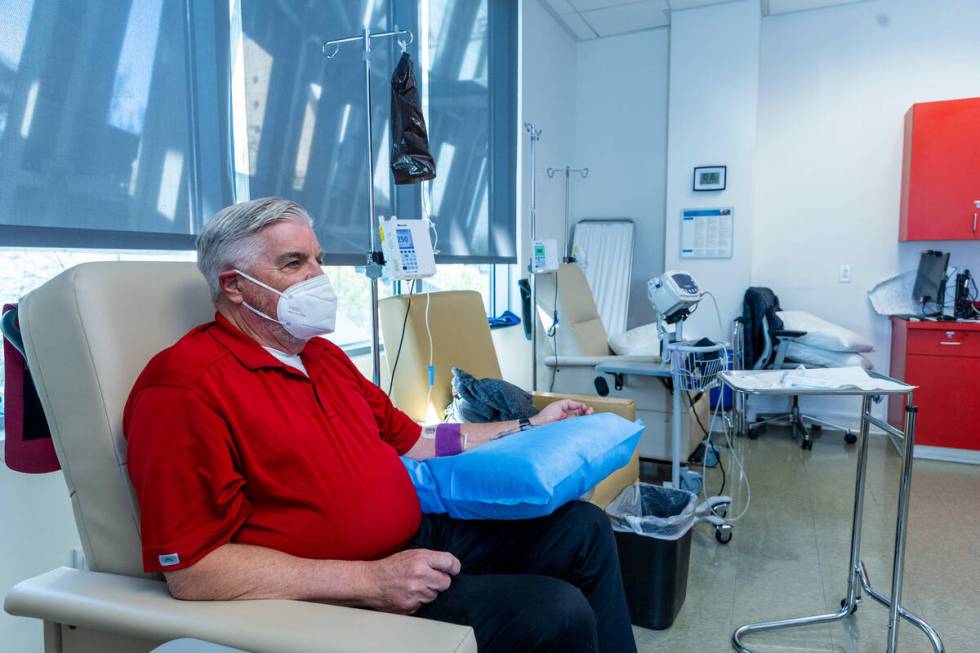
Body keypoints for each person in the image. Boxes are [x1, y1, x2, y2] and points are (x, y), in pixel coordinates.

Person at [124, 197, 637, 653]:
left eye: (318, 260)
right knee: (555, 610)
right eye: (294, 263)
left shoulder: (321, 356)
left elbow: (420, 440)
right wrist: (368, 580)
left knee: (583, 530)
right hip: (344, 594)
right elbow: (193, 571)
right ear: (234, 286)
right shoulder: (183, 389)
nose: (318, 277)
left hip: (415, 540)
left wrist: (530, 425)